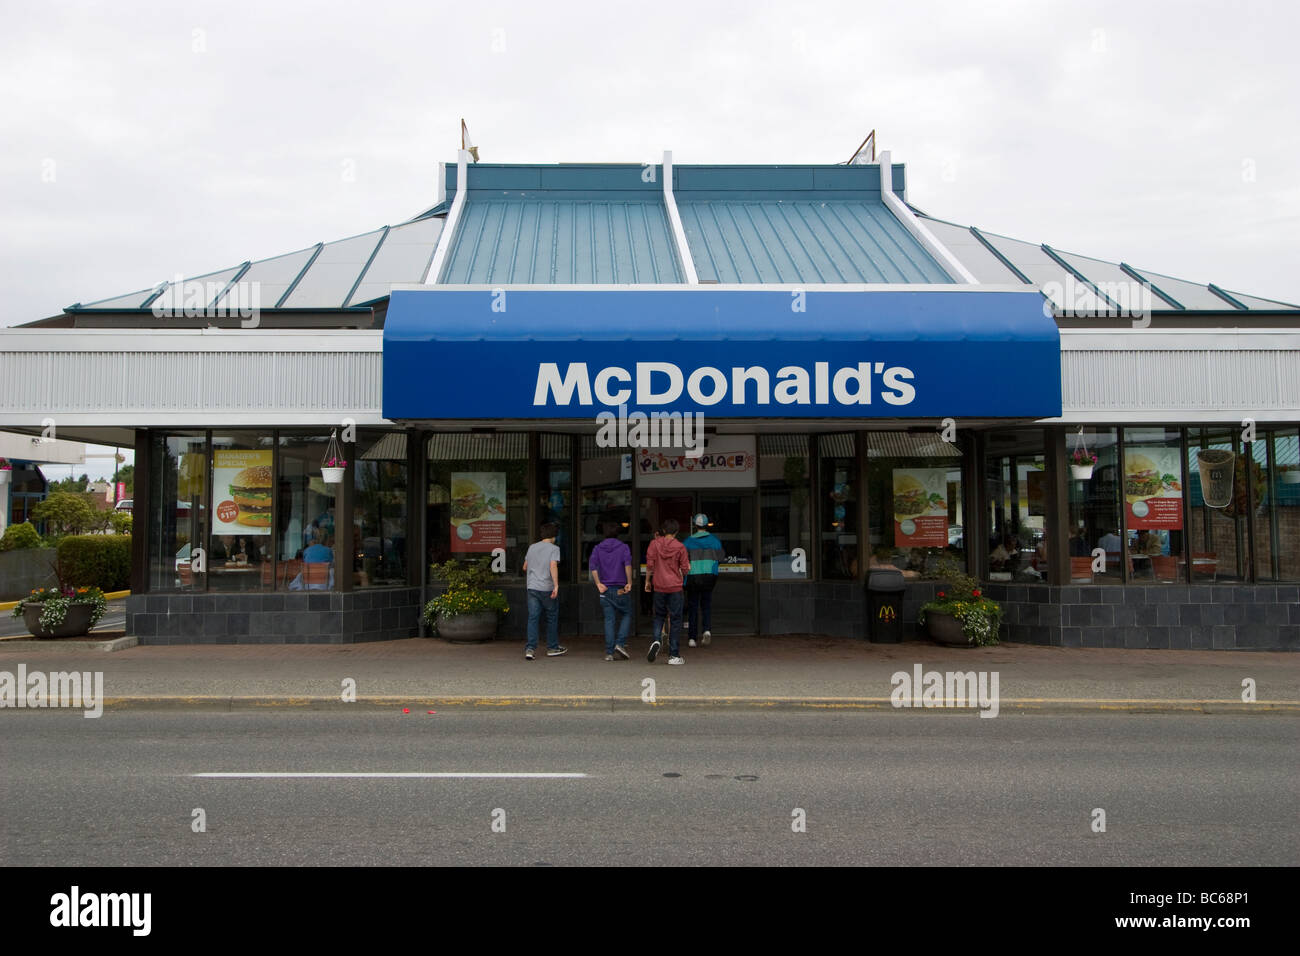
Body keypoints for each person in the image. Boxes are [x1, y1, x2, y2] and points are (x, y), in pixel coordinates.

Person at [645, 517, 690, 665]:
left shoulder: (654, 544)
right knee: (675, 620)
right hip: (675, 587)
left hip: (659, 586)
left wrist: (647, 582)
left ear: (663, 530)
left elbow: (650, 565)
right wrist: (684, 572)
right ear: (676, 532)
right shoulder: (680, 547)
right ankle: (674, 655)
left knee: (659, 617)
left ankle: (657, 640)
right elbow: (685, 568)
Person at [589, 521, 633, 661]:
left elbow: (593, 566)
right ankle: (620, 643)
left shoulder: (597, 548)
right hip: (620, 588)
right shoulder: (623, 547)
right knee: (627, 613)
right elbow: (627, 565)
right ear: (617, 533)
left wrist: (598, 583)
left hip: (605, 590)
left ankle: (609, 653)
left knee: (609, 619)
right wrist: (629, 582)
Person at [522, 521, 566, 660]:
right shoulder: (554, 549)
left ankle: (530, 649)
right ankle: (552, 647)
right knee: (551, 617)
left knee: (533, 618)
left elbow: (525, 567)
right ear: (554, 536)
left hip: (532, 587)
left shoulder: (532, 547)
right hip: (547, 588)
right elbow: (553, 565)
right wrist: (556, 585)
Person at [683, 513, 723, 648]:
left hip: (693, 577)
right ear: (707, 525)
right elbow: (721, 558)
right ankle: (706, 630)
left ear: (695, 525)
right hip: (709, 577)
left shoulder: (688, 542)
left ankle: (692, 638)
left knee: (693, 606)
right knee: (706, 605)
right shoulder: (715, 541)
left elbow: (682, 561)